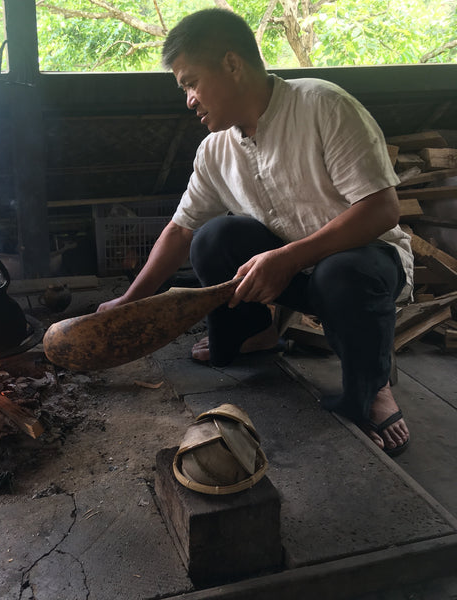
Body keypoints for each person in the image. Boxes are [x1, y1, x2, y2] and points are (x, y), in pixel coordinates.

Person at [98, 8, 413, 456]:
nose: (189, 99)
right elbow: (181, 230)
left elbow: (382, 209)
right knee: (213, 236)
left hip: (364, 264)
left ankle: (374, 385)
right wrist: (130, 301)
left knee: (341, 272)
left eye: (191, 82)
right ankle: (253, 336)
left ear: (231, 64)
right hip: (288, 273)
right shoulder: (215, 149)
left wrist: (288, 258)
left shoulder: (323, 104)